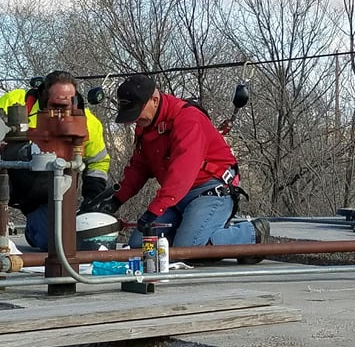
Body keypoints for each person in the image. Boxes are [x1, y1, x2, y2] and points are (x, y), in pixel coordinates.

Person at [86, 73, 269, 263]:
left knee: (186, 250)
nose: (134, 120)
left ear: (154, 100)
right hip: (178, 198)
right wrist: (116, 199)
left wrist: (154, 211)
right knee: (141, 245)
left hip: (210, 190)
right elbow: (139, 167)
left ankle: (250, 233)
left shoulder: (188, 119)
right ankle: (195, 233)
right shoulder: (145, 125)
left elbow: (182, 173)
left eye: (137, 113)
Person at [0, 70, 110, 252]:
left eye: (67, 103)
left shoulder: (87, 123)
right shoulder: (16, 100)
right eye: (56, 103)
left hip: (46, 193)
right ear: (44, 94)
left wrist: (92, 197)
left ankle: (35, 232)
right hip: (6, 179)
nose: (61, 110)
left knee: (57, 245)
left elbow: (98, 162)